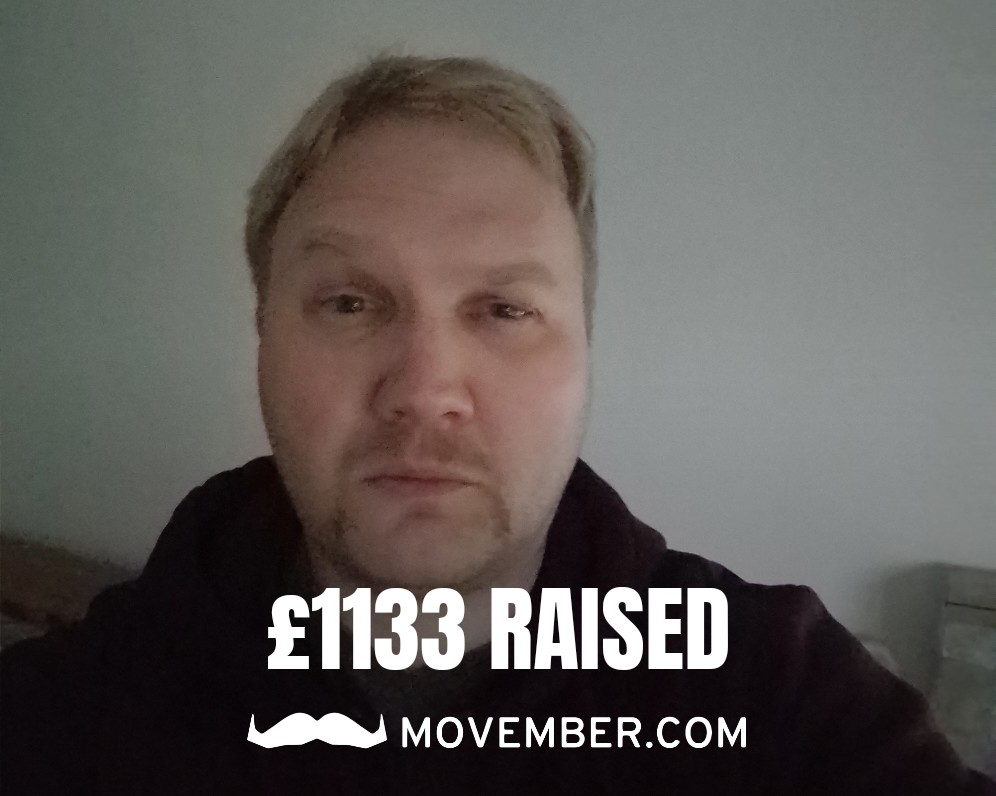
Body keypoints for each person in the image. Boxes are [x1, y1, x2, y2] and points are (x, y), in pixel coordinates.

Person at [1, 54, 992, 795]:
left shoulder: (777, 694)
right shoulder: (67, 719)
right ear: (263, 335)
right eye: (349, 301)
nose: (426, 389)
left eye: (505, 309)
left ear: (586, 352)